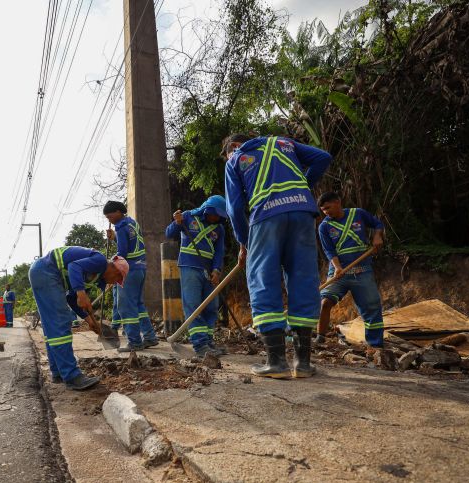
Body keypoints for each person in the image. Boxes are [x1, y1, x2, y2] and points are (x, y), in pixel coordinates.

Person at [223, 133, 332, 378]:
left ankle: (276, 362)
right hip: (303, 213)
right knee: (303, 280)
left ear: (233, 147)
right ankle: (302, 365)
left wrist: (244, 242)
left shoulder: (235, 159)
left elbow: (234, 209)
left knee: (263, 280)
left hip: (265, 217)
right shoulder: (285, 143)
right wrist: (302, 186)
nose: (228, 158)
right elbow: (323, 158)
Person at [28, 246, 128, 391]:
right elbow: (73, 266)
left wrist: (89, 320)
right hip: (47, 271)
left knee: (52, 326)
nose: (115, 282)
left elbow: (72, 300)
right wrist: (81, 293)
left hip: (42, 272)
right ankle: (71, 376)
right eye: (118, 277)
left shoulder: (95, 277)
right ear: (113, 268)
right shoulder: (100, 261)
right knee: (61, 321)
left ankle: (58, 372)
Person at [316, 192, 385, 350]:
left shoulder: (358, 213)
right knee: (325, 302)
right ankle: (320, 338)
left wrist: (377, 236)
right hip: (338, 271)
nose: (326, 212)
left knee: (372, 306)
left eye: (328, 207)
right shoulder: (324, 226)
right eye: (323, 210)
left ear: (338, 202)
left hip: (362, 270)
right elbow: (329, 251)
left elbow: (377, 224)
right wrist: (338, 267)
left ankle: (375, 345)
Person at [165, 196, 228, 359]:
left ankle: (208, 341)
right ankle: (200, 344)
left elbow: (219, 252)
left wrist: (217, 270)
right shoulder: (187, 216)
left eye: (219, 216)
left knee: (211, 307)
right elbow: (169, 233)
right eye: (215, 214)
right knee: (193, 306)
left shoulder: (219, 229)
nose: (216, 218)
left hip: (209, 271)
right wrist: (176, 222)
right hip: (189, 267)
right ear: (208, 210)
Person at [103, 200, 159, 352]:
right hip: (140, 269)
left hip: (128, 270)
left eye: (109, 216)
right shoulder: (132, 223)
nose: (109, 220)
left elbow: (122, 253)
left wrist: (110, 266)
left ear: (118, 212)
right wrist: (114, 238)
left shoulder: (120, 227)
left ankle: (134, 342)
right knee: (138, 305)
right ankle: (149, 337)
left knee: (126, 307)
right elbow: (130, 244)